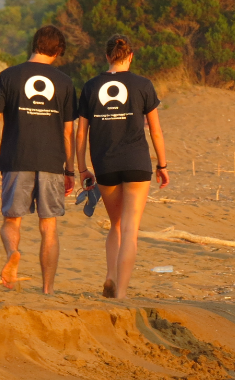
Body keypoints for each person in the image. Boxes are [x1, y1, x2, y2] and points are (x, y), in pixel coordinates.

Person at [0, 25, 77, 294]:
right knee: (49, 228)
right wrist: (70, 169)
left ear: (34, 44)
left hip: (15, 159)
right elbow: (68, 132)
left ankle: (13, 253)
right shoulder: (65, 82)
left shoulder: (8, 76)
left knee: (11, 220)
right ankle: (48, 289)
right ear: (58, 51)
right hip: (52, 161)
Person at [77, 35, 169, 299]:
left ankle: (110, 276)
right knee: (130, 229)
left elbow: (81, 133)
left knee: (115, 224)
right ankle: (122, 293)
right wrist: (162, 164)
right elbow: (156, 131)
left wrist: (82, 168)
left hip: (106, 165)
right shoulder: (143, 85)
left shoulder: (91, 86)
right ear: (130, 56)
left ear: (107, 56)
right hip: (137, 164)